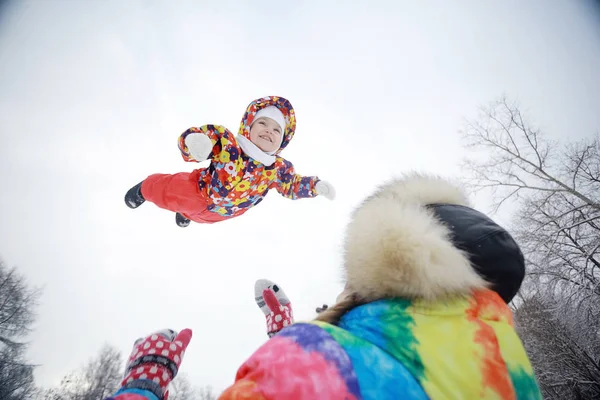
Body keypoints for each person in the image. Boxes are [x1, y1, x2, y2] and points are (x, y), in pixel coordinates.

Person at [109, 173, 542, 399]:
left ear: (382, 269)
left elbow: (327, 381)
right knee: (187, 199)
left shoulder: (330, 361)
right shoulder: (511, 372)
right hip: (208, 196)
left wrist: (145, 383)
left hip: (218, 204)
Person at [124, 96, 335, 227]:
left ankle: (185, 214)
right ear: (248, 126)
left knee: (197, 217)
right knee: (167, 191)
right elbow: (205, 137)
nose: (269, 130)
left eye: (276, 130)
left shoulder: (277, 169)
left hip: (225, 212)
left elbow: (292, 185)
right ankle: (145, 188)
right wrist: (197, 142)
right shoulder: (230, 143)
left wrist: (315, 186)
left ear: (281, 142)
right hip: (199, 191)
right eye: (262, 123)